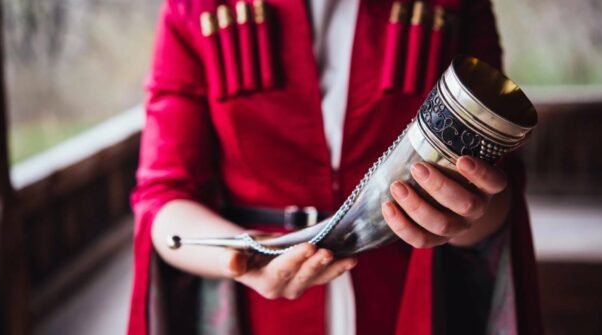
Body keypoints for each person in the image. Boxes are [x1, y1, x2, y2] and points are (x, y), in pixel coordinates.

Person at [128, 0, 542, 334]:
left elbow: (498, 182)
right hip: (261, 308)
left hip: (408, 291)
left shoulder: (453, 7)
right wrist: (241, 255)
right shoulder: (193, 8)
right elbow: (163, 198)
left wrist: (468, 213)